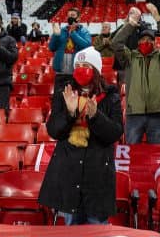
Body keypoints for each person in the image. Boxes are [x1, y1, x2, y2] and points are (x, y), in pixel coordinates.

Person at [38, 46, 123, 225]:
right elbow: (54, 130)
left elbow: (115, 133)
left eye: (86, 65)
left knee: (97, 234)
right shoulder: (65, 93)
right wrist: (69, 113)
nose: (80, 69)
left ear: (96, 70)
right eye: (78, 65)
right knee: (71, 235)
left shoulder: (110, 96)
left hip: (97, 175)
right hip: (69, 172)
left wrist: (95, 116)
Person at [113, 3, 160, 144]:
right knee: (132, 154)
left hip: (156, 114)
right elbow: (116, 43)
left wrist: (158, 19)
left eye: (149, 40)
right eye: (143, 39)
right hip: (134, 114)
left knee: (155, 155)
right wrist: (130, 25)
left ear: (155, 43)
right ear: (138, 42)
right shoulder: (130, 58)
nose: (146, 41)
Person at [49, 7, 92, 94]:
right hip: (61, 72)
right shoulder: (62, 30)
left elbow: (87, 46)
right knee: (59, 100)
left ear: (78, 18)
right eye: (68, 16)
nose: (70, 17)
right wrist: (55, 35)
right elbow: (52, 48)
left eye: (73, 15)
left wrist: (73, 33)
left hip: (76, 72)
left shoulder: (84, 32)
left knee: (74, 100)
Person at [111, 7, 151, 85]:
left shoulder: (143, 28)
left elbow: (148, 39)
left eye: (136, 15)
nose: (132, 15)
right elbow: (113, 41)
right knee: (124, 89)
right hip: (122, 65)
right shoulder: (122, 27)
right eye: (131, 13)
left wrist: (139, 26)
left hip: (137, 64)